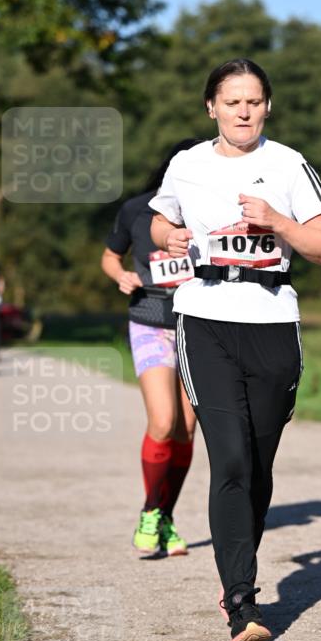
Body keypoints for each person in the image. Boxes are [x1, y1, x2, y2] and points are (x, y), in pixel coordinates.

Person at [149, 58, 321, 641]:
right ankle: (242, 604)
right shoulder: (187, 164)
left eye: (253, 101)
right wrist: (170, 236)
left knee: (256, 465)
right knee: (228, 459)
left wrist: (279, 221)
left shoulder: (287, 164)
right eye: (232, 102)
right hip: (205, 316)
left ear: (267, 107)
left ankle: (238, 577)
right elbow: (159, 221)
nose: (243, 112)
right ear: (212, 107)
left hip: (273, 320)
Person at [101, 139, 200, 557]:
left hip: (197, 326)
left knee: (187, 430)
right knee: (162, 422)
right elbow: (109, 256)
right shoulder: (137, 209)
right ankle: (149, 509)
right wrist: (120, 276)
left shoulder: (215, 209)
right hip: (149, 321)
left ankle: (166, 515)